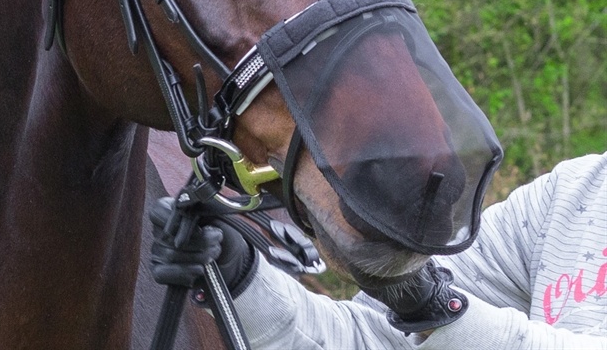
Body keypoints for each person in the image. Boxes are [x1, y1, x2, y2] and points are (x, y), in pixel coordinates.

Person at [151, 153, 607, 349]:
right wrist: (240, 278)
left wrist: (435, 306)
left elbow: (448, 318)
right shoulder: (573, 195)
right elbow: (377, 339)